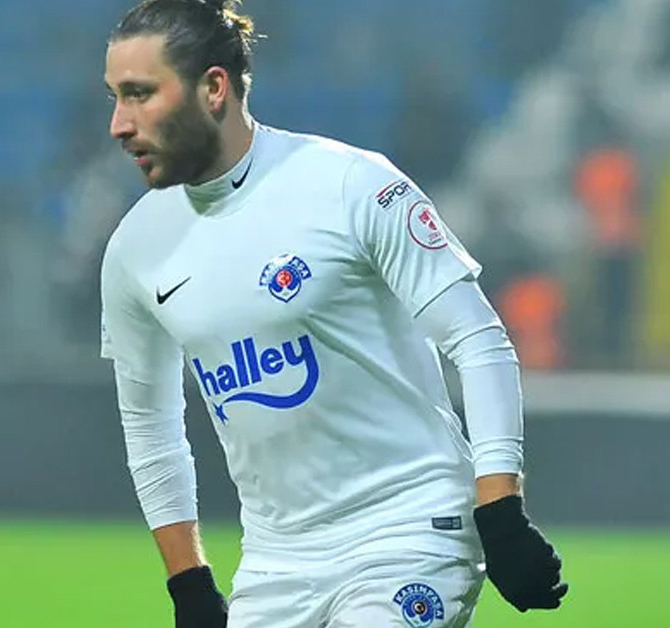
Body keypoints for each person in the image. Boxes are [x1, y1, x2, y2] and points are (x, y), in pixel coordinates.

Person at [98, 1, 567, 626]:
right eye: (115, 97)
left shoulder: (350, 185)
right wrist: (189, 583)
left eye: (139, 94)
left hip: (410, 527)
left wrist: (501, 511)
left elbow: (478, 339)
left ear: (213, 88)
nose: (118, 124)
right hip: (275, 563)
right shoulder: (134, 249)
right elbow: (150, 425)